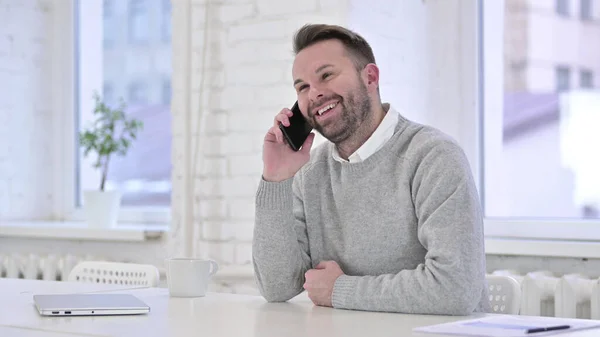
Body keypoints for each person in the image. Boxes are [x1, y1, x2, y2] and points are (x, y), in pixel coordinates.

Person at [252, 23, 490, 315]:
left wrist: (338, 290)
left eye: (326, 75)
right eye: (302, 87)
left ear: (370, 77)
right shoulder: (310, 173)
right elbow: (277, 287)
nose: (313, 94)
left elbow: (456, 288)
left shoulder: (433, 157)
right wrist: (276, 179)